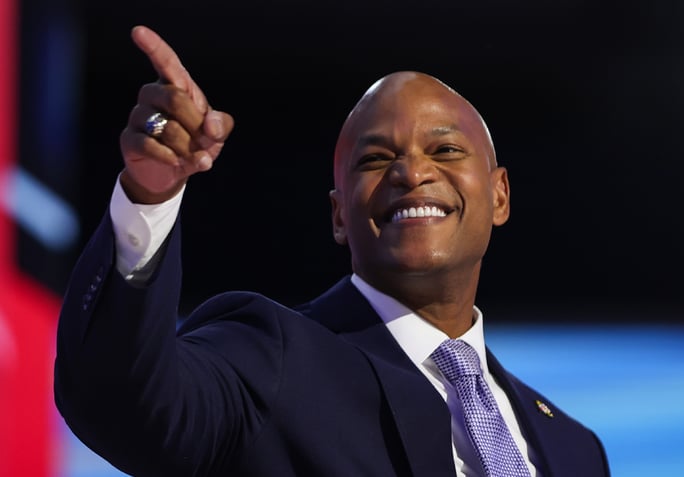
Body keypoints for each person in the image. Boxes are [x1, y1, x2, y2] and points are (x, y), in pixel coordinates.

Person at [54, 25, 610, 477]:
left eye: (443, 148)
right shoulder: (271, 356)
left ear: (499, 195)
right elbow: (123, 403)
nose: (412, 172)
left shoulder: (575, 447)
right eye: (374, 160)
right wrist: (150, 196)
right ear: (341, 216)